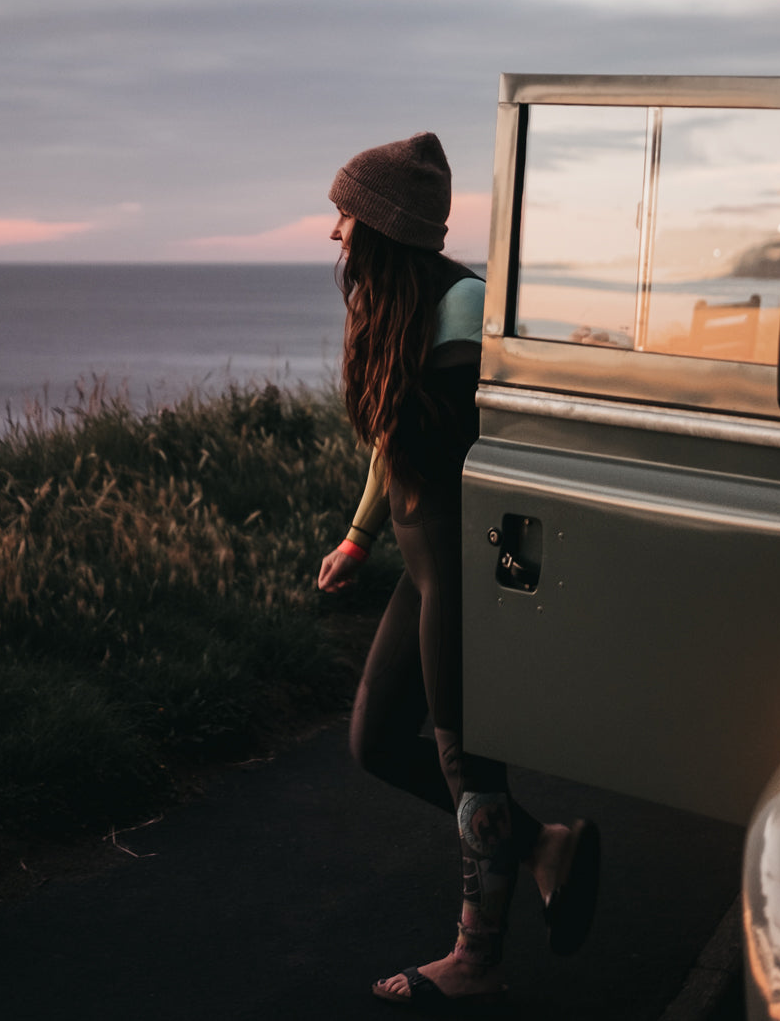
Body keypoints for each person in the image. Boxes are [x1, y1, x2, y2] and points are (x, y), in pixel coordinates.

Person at [318, 131, 599, 1011]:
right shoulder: (398, 309)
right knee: (375, 742)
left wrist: (521, 583)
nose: (334, 233)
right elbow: (390, 443)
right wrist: (360, 537)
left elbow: (528, 458)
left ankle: (477, 956)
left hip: (472, 575)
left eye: (346, 215)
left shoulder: (467, 315)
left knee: (461, 760)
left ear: (382, 226)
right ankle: (545, 846)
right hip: (420, 566)